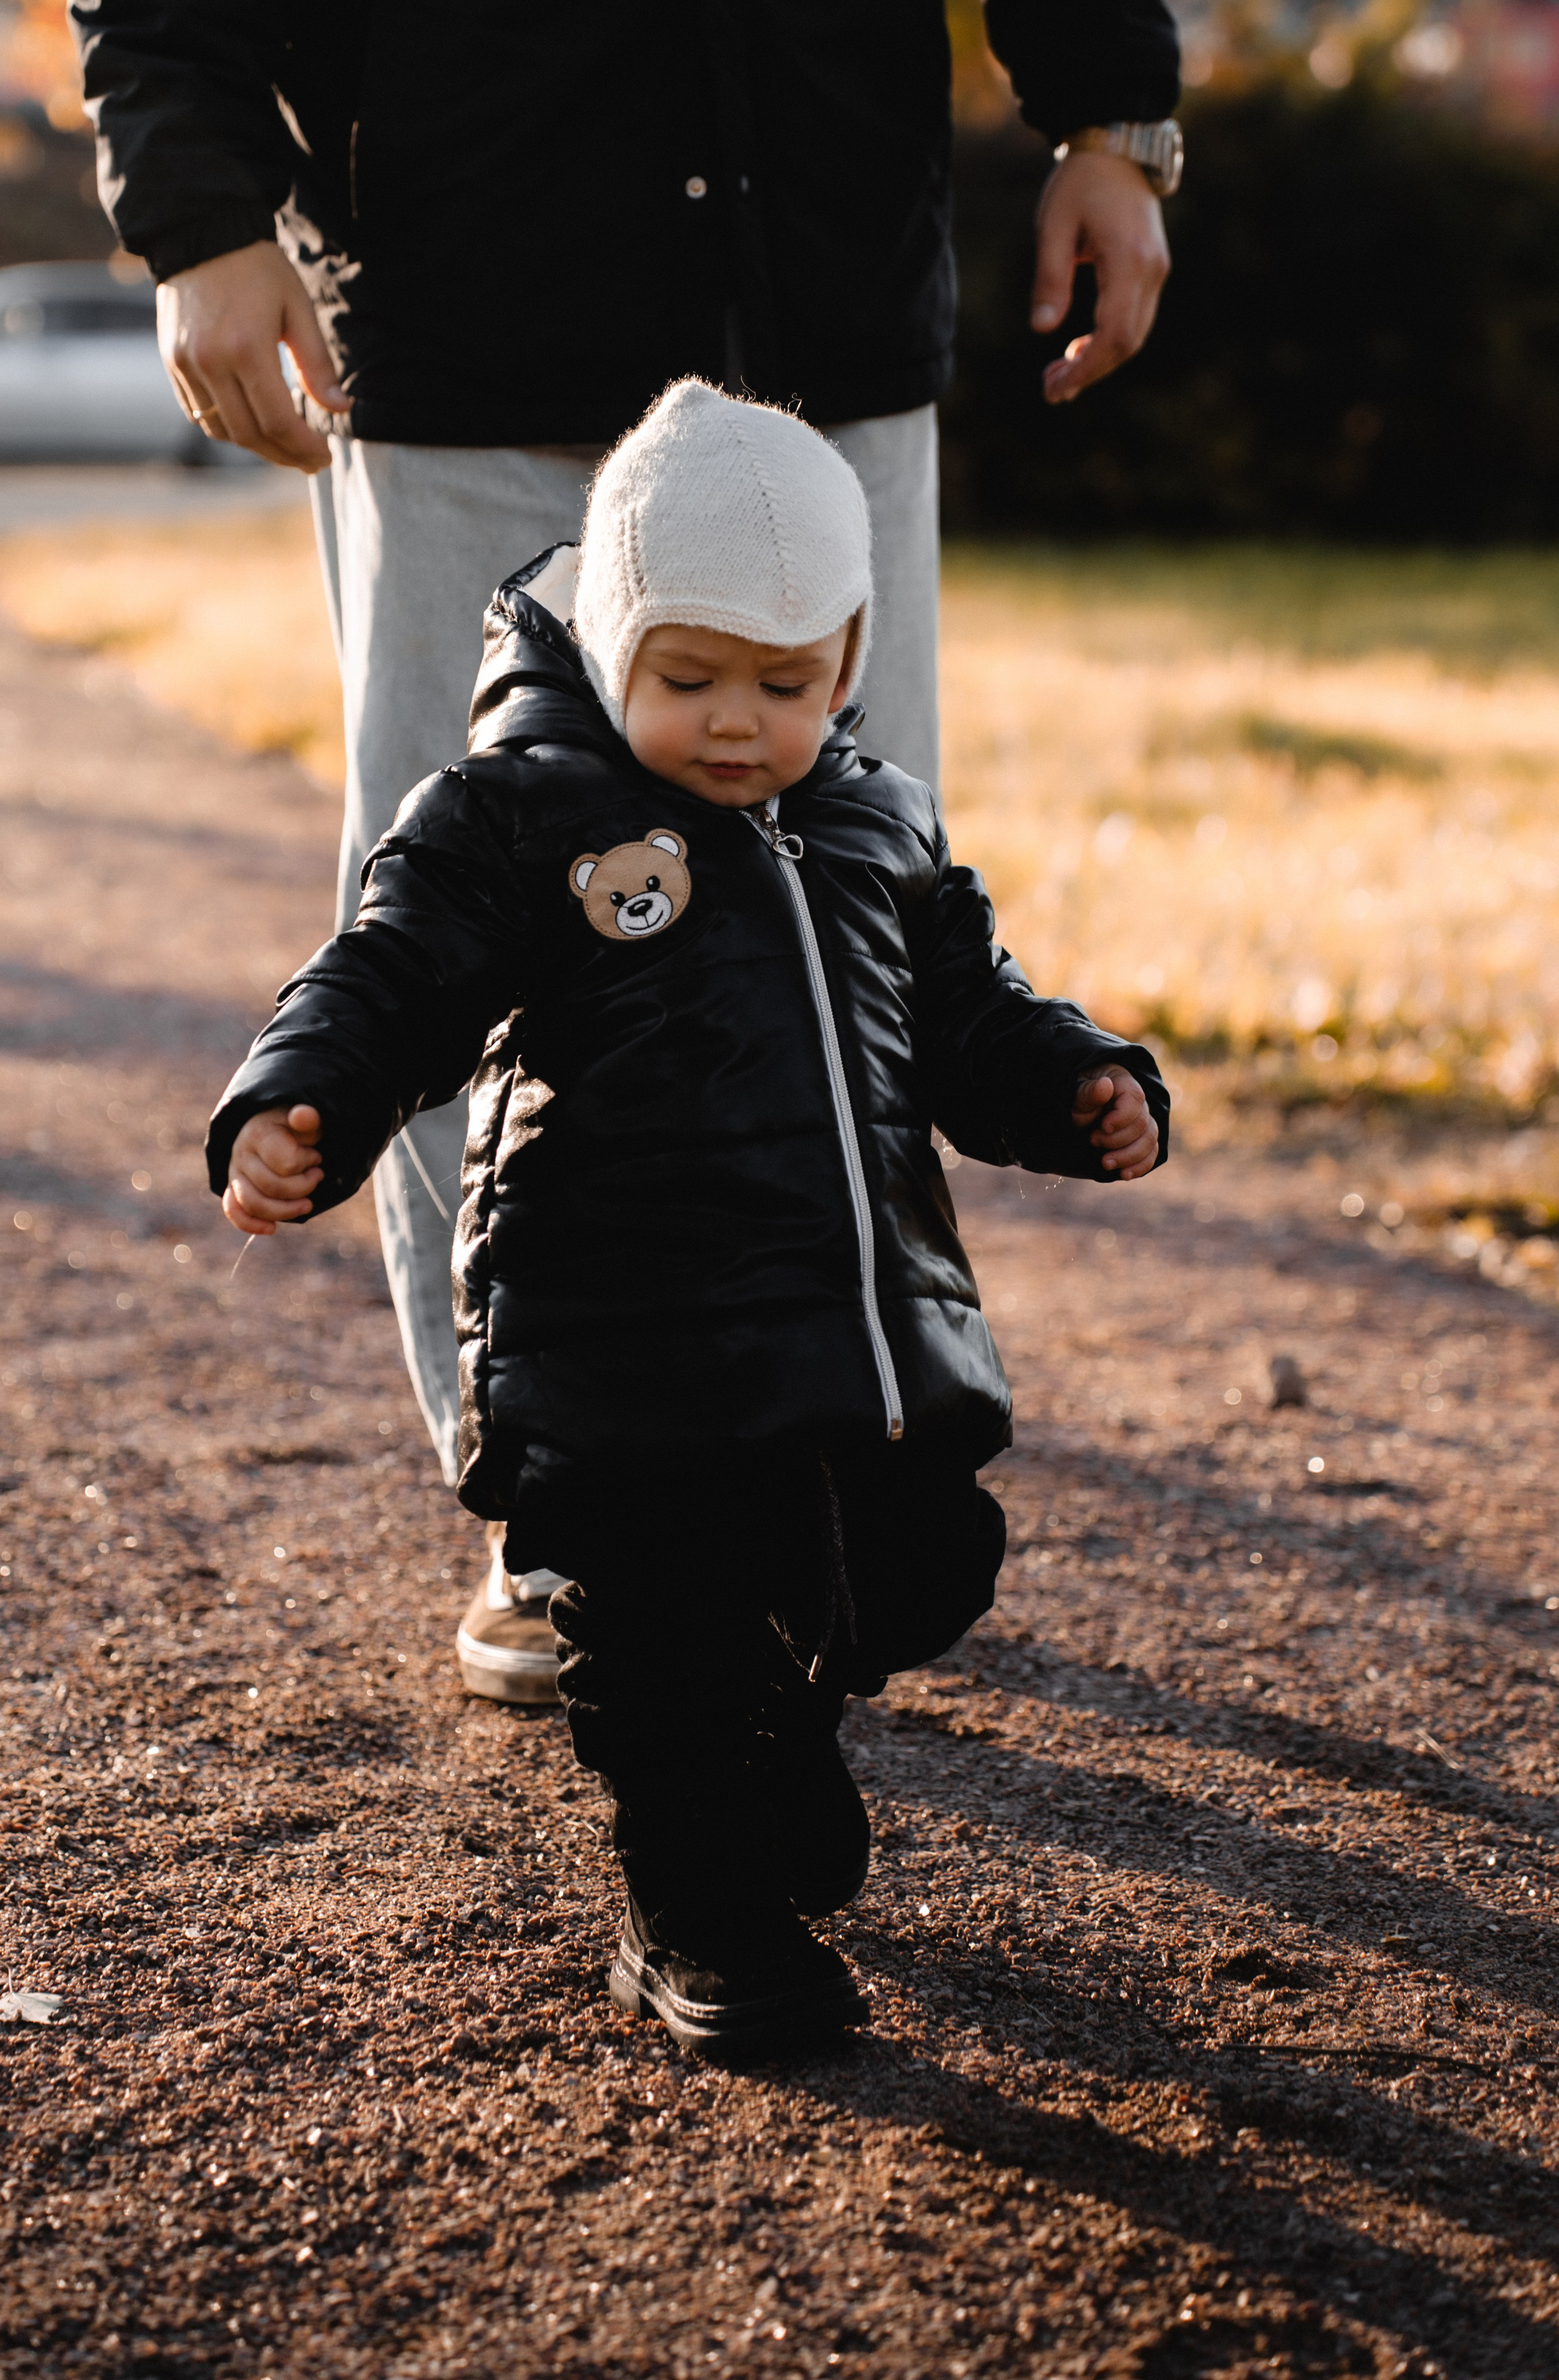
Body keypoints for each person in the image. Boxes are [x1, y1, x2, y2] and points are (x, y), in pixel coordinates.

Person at [72, 1, 1182, 1700]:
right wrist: (195, 204)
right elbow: (414, 973)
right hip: (466, 277)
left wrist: (1113, 116)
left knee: (852, 931)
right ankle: (566, 1510)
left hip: (820, 274)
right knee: (475, 918)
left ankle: (807, 1452)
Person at [205, 382, 1167, 2055]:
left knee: (923, 1562)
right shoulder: (523, 814)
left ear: (847, 660)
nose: (737, 724)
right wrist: (305, 1103)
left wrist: (1074, 1078)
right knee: (663, 1629)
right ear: (613, 641)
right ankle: (695, 1909)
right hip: (618, 1345)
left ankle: (776, 1732)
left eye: (785, 685)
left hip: (842, 1334)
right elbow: (387, 977)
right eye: (691, 676)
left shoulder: (877, 819)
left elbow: (971, 1010)